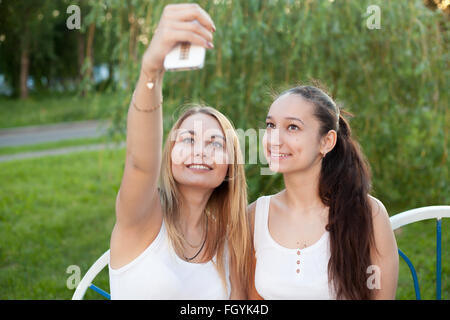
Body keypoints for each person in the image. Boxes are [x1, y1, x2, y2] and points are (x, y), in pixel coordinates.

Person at [108, 3, 251, 299]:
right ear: (169, 155)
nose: (200, 151)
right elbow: (140, 163)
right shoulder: (143, 216)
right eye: (187, 139)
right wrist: (152, 70)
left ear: (230, 166)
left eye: (215, 143)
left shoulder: (230, 242)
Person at [247, 85, 399, 299]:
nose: (274, 138)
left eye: (292, 127)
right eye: (271, 125)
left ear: (327, 141)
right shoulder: (254, 216)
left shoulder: (368, 213)